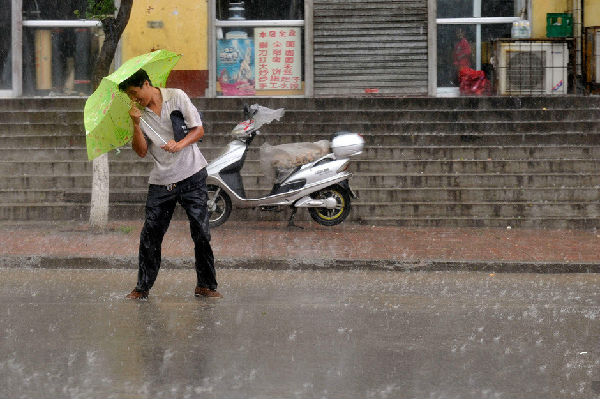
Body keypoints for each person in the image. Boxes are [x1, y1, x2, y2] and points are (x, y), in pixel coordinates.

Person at [118, 69, 222, 299]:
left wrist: (181, 143)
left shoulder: (177, 96)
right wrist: (135, 124)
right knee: (150, 235)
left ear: (146, 83)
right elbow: (142, 151)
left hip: (192, 174)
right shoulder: (138, 114)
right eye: (131, 96)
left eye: (136, 93)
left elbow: (198, 130)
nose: (135, 99)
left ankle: (205, 285)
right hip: (161, 181)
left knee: (201, 232)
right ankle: (142, 287)